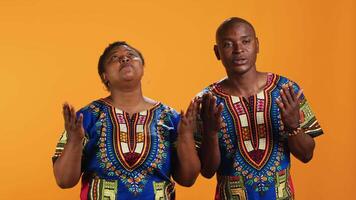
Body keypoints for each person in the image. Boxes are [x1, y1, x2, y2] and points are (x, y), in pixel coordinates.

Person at [52, 41, 200, 199]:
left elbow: (188, 179)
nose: (124, 59)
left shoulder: (171, 118)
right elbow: (64, 180)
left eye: (131, 55)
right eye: (114, 58)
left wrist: (185, 137)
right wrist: (74, 141)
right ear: (105, 76)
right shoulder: (85, 117)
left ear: (142, 68)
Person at [196, 17, 323, 200]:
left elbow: (306, 154)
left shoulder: (288, 90)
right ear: (217, 52)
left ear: (257, 45)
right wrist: (210, 134)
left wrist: (293, 127)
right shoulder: (206, 102)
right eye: (228, 44)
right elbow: (207, 171)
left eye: (245, 41)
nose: (239, 50)